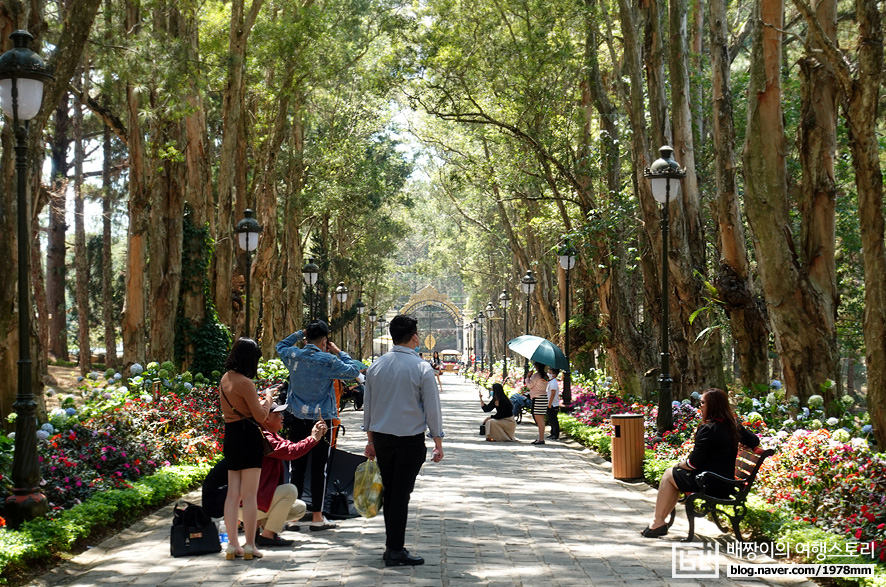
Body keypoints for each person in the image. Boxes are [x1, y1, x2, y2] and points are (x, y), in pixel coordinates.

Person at [364, 314, 444, 567]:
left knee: (391, 492)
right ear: (415, 337)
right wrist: (438, 440)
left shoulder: (377, 366)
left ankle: (393, 546)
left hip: (382, 439)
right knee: (400, 495)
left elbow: (369, 406)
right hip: (410, 440)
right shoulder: (421, 367)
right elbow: (432, 408)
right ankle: (395, 549)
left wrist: (370, 440)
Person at [277, 320, 362, 531]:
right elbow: (353, 372)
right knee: (319, 469)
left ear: (306, 337)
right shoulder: (328, 360)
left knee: (296, 466)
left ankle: (293, 517)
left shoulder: (293, 356)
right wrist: (338, 352)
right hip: (323, 421)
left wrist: (299, 333)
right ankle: (317, 516)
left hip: (296, 417)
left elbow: (280, 346)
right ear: (325, 341)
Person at [641, 388, 760, 538]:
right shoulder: (732, 425)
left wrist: (679, 465)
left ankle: (658, 522)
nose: (700, 406)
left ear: (713, 406)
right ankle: (658, 522)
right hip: (725, 483)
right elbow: (754, 441)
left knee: (669, 474)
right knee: (673, 477)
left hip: (710, 483)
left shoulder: (708, 429)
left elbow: (693, 463)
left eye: (703, 403)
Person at [202, 404, 327, 547]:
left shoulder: (268, 434)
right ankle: (268, 535)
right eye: (278, 415)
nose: (282, 417)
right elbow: (290, 451)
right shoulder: (263, 438)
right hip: (245, 504)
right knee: (290, 491)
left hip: (252, 500)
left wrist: (313, 437)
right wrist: (313, 438)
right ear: (266, 419)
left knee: (299, 509)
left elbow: (288, 446)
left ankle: (257, 529)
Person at [219, 338, 273, 560]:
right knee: (249, 495)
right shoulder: (245, 383)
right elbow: (260, 416)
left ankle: (233, 545)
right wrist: (268, 398)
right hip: (248, 437)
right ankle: (250, 544)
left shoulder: (225, 379)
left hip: (231, 435)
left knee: (233, 494)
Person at [525, 362, 549, 445]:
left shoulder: (536, 375)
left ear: (537, 366)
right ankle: (541, 438)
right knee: (541, 418)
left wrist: (528, 377)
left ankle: (541, 439)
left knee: (539, 419)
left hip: (537, 397)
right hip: (544, 397)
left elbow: (529, 385)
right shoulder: (545, 376)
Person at [546, 368, 561, 440]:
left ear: (554, 375)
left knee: (554, 420)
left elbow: (553, 394)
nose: (548, 374)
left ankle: (555, 434)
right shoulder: (550, 382)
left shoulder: (553, 383)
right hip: (550, 403)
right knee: (551, 419)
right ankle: (552, 433)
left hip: (553, 404)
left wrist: (549, 403)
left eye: (550, 372)